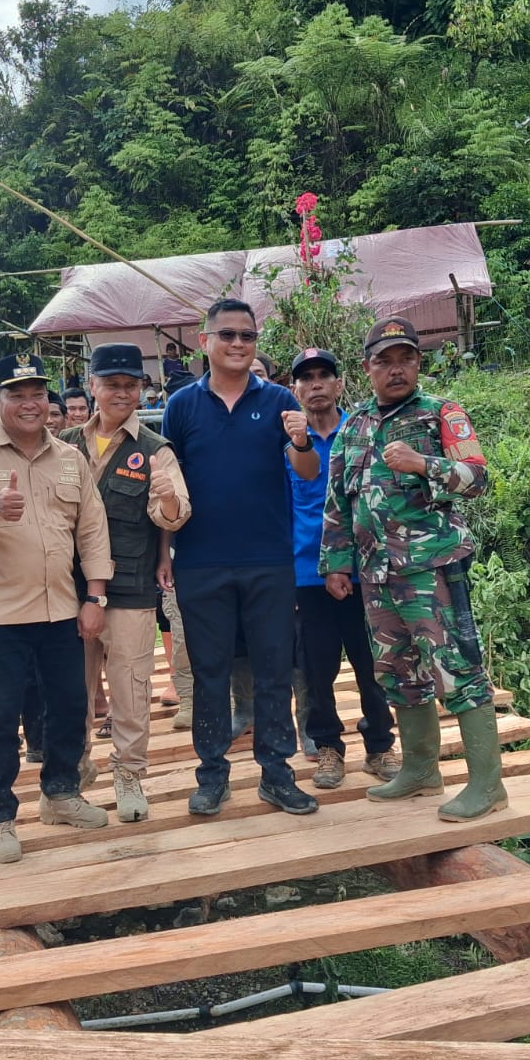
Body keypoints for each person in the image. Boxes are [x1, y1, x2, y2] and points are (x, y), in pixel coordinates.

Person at [321, 316, 503, 822]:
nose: (395, 370)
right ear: (367, 368)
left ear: (418, 363)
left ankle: (487, 785)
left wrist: (426, 465)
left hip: (431, 569)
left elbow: (478, 478)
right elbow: (336, 501)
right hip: (375, 575)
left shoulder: (440, 413)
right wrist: (335, 564)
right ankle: (421, 769)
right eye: (385, 360)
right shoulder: (353, 425)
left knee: (457, 669)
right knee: (397, 672)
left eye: (405, 359)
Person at [0, 351, 114, 863]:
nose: (29, 403)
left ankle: (60, 795)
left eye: (37, 393)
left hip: (62, 608)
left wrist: (95, 597)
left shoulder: (70, 457)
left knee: (69, 708)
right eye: (16, 394)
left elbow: (92, 529)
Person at [162, 298, 321, 818]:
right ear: (204, 342)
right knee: (210, 671)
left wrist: (300, 440)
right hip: (200, 561)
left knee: (274, 668)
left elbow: (307, 470)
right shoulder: (181, 406)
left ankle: (277, 774)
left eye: (246, 336)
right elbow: (167, 485)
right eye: (226, 335)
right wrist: (165, 551)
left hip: (268, 560)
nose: (237, 344)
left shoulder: (278, 400)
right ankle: (211, 775)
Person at [65, 343, 191, 821]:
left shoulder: (155, 450)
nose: (122, 393)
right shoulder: (66, 444)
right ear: (93, 386)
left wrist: (168, 501)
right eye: (112, 384)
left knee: (131, 686)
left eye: (131, 385)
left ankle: (129, 775)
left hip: (131, 583)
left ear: (142, 389)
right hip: (69, 587)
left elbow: (174, 513)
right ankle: (73, 769)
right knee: (70, 686)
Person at [286, 348, 398, 788]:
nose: (315, 384)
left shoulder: (364, 433)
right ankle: (328, 747)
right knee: (317, 667)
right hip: (307, 572)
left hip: (364, 569)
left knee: (372, 662)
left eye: (323, 376)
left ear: (339, 384)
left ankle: (380, 746)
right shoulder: (290, 445)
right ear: (294, 389)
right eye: (306, 378)